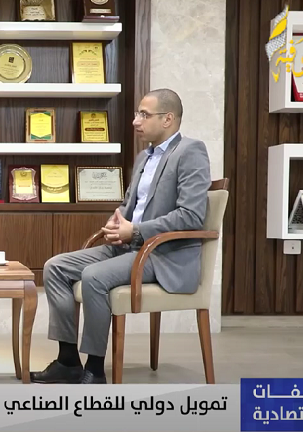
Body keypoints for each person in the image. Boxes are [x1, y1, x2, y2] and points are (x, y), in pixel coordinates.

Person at [31, 88, 211, 384]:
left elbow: (191, 215)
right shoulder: (144, 157)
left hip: (163, 254)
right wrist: (117, 224)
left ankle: (95, 368)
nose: (135, 121)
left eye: (144, 115)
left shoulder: (190, 152)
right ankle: (68, 361)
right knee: (55, 267)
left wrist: (136, 231)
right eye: (137, 114)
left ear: (167, 119)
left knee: (94, 276)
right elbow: (132, 205)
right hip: (129, 247)